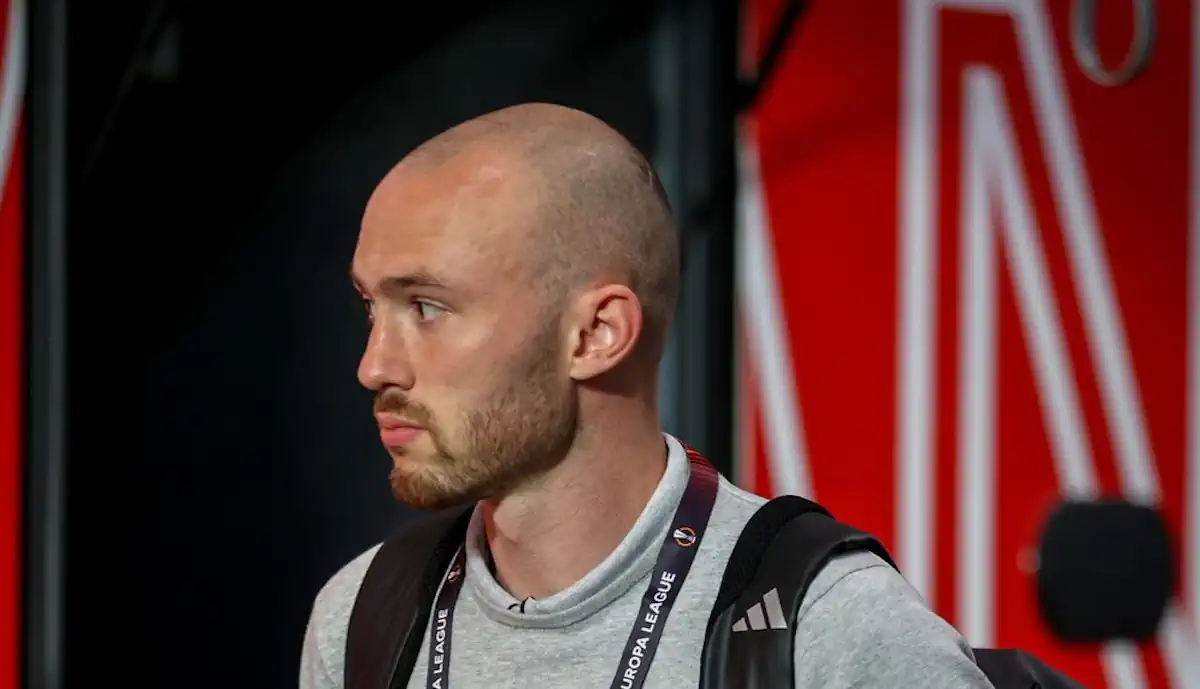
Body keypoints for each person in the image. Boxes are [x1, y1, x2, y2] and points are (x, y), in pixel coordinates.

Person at [299, 103, 993, 689]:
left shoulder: (827, 628)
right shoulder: (361, 618)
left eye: (426, 307)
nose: (373, 365)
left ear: (597, 333)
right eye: (371, 306)